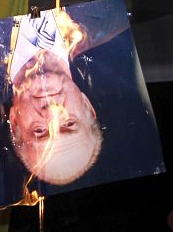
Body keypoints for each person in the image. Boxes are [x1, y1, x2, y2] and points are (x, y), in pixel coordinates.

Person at [8, 10, 102, 186]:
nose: (52, 111)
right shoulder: (110, 18)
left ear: (14, 123)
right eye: (69, 124)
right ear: (86, 106)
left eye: (39, 131)